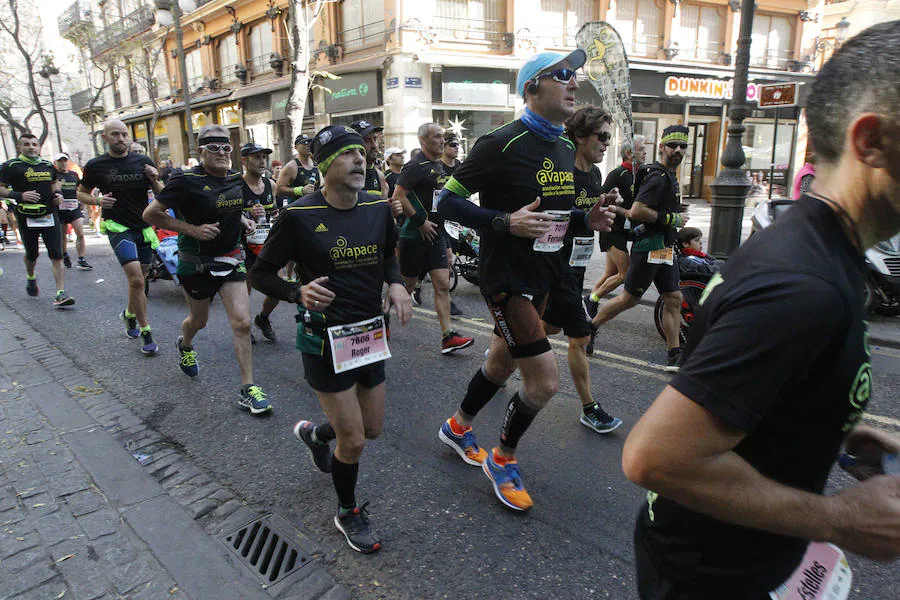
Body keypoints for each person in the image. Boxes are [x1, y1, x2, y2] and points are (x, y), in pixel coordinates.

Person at [622, 21, 900, 600]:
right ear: (870, 140)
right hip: (713, 578)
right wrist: (843, 520)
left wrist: (829, 422)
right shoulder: (803, 284)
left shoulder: (820, 244)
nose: (673, 151)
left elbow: (750, 382)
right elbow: (656, 459)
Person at [435, 49, 616, 511]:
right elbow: (448, 203)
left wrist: (584, 218)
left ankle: (457, 426)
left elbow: (554, 215)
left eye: (575, 77)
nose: (573, 84)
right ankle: (503, 457)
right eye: (562, 76)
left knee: (500, 363)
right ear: (531, 87)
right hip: (508, 277)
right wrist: (502, 222)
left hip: (545, 276)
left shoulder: (561, 147)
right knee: (544, 382)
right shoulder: (501, 142)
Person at [250, 125, 412, 553]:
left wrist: (395, 284)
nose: (360, 160)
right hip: (323, 341)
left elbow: (388, 256)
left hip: (368, 335)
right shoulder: (299, 216)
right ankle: (347, 511)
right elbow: (260, 273)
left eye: (362, 153)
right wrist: (295, 292)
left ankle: (319, 435)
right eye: (347, 154)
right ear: (324, 166)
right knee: (354, 440)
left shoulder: (378, 207)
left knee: (370, 430)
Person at [143, 124, 272, 415]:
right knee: (197, 321)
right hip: (195, 262)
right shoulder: (185, 180)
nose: (221, 153)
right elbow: (151, 214)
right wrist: (192, 229)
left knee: (241, 322)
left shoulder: (236, 180)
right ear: (201, 151)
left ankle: (248, 388)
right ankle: (185, 344)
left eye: (226, 147)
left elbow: (229, 208)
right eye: (213, 147)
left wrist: (244, 221)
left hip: (230, 259)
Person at [542, 106, 622, 435]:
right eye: (602, 136)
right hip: (554, 262)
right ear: (579, 136)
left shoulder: (594, 175)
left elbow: (589, 212)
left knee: (547, 328)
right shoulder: (562, 172)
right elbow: (552, 214)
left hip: (577, 263)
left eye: (609, 137)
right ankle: (590, 408)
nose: (607, 143)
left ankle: (505, 348)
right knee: (580, 334)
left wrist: (604, 202)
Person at [590, 125, 688, 371]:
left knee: (673, 298)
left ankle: (674, 354)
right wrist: (671, 219)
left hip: (664, 247)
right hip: (649, 247)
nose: (678, 150)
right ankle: (589, 328)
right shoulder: (658, 177)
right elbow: (637, 211)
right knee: (629, 299)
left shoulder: (668, 174)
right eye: (673, 145)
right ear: (662, 147)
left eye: (683, 146)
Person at [79, 119, 162, 355]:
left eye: (124, 134)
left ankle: (129, 314)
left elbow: (162, 195)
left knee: (141, 278)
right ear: (105, 138)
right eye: (115, 135)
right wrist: (97, 200)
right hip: (117, 226)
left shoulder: (142, 161)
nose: (121, 139)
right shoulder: (96, 165)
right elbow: (81, 193)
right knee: (136, 279)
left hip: (143, 226)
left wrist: (155, 178)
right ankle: (146, 331)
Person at [393, 122, 474, 354]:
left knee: (442, 284)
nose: (442, 140)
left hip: (437, 234)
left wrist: (448, 240)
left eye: (442, 137)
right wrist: (420, 222)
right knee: (406, 286)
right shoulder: (415, 166)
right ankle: (382, 317)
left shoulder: (439, 166)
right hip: (414, 236)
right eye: (437, 137)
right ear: (423, 140)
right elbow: (399, 196)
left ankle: (448, 337)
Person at [584, 135, 646, 354]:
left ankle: (589, 300)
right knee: (624, 273)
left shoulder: (639, 174)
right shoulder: (618, 174)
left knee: (610, 272)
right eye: (641, 149)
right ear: (629, 153)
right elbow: (601, 197)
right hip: (612, 229)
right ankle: (592, 300)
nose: (644, 152)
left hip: (626, 231)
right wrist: (613, 201)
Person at [0, 132, 74, 307]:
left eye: (34, 144)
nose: (31, 147)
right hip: (26, 217)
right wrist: (19, 195)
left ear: (39, 147)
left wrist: (58, 194)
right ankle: (31, 277)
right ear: (20, 147)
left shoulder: (47, 165)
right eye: (27, 144)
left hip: (49, 214)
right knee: (32, 254)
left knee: (56, 255)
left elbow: (55, 183)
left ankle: (60, 293)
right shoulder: (11, 166)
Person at [239, 142, 281, 342]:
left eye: (264, 157)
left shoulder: (270, 184)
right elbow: (228, 215)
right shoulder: (237, 186)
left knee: (278, 287)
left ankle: (263, 318)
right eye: (256, 157)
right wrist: (248, 214)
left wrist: (274, 215)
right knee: (245, 289)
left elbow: (274, 212)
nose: (262, 161)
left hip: (266, 244)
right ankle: (244, 326)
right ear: (244, 161)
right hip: (244, 246)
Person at [54, 153, 92, 271]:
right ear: (56, 163)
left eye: (65, 160)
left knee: (80, 233)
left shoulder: (73, 174)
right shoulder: (54, 176)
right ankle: (64, 254)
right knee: (63, 235)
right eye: (60, 161)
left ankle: (81, 259)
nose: (63, 163)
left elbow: (79, 190)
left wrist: (82, 202)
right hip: (60, 209)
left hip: (74, 208)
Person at [275, 134, 320, 209]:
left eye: (309, 143)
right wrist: (300, 190)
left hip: (314, 209)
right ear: (296, 147)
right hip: (297, 210)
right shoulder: (291, 166)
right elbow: (278, 189)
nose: (308, 146)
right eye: (304, 143)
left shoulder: (316, 164)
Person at [349, 120, 389, 199]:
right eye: (367, 140)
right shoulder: (345, 175)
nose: (374, 145)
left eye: (375, 139)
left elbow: (382, 208)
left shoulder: (380, 176)